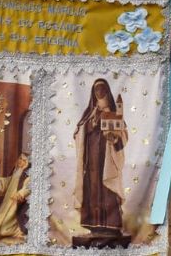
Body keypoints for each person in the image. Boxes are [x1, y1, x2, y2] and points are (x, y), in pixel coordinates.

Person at [74, 79, 127, 239]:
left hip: (106, 160)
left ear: (107, 92)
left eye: (102, 90)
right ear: (93, 93)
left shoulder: (114, 113)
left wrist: (114, 138)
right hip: (91, 162)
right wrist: (86, 128)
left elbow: (123, 135)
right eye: (97, 90)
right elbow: (79, 131)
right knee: (92, 190)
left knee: (107, 191)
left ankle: (111, 226)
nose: (99, 93)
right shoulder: (89, 113)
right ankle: (94, 226)